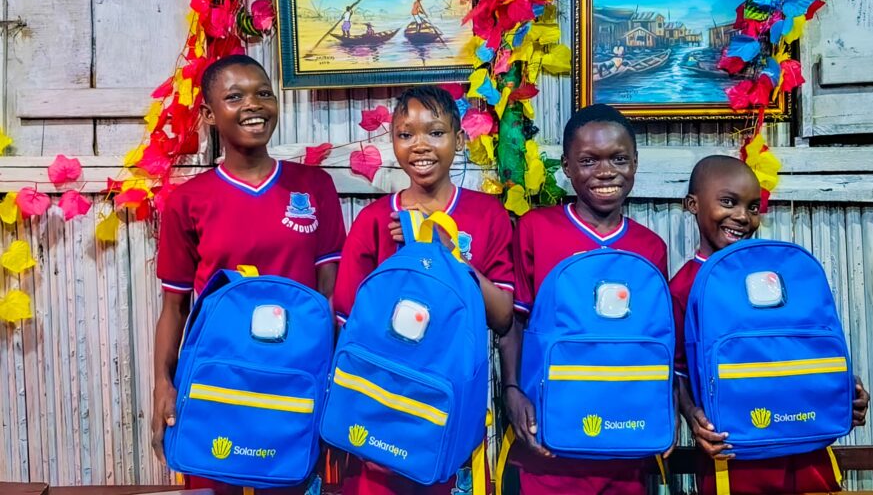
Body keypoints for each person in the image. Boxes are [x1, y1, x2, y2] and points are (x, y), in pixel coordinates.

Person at [151, 54, 346, 495]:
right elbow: (175, 306)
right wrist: (164, 383)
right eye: (234, 96)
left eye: (263, 93)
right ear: (208, 114)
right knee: (214, 479)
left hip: (295, 378)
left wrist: (333, 381)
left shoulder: (313, 187)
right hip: (219, 380)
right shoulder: (188, 200)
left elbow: (330, 294)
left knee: (291, 481)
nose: (253, 105)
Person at [333, 85, 515, 494]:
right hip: (380, 403)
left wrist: (450, 256)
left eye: (435, 132)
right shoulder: (375, 220)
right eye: (405, 134)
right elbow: (347, 323)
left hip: (452, 404)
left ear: (460, 139)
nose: (420, 146)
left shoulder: (487, 216)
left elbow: (503, 315)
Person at [671, 155, 871, 494]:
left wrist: (845, 390)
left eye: (753, 207)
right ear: (692, 204)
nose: (742, 217)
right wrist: (693, 419)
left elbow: (806, 345)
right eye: (728, 202)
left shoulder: (787, 274)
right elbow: (676, 373)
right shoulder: (684, 285)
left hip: (808, 451)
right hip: (735, 459)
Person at [500, 103, 669, 495]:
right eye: (589, 160)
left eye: (619, 158)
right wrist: (512, 389)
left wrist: (668, 409)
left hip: (627, 439)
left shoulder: (651, 247)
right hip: (551, 444)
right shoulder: (536, 229)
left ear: (636, 163)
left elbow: (657, 340)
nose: (606, 171)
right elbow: (515, 321)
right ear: (567, 166)